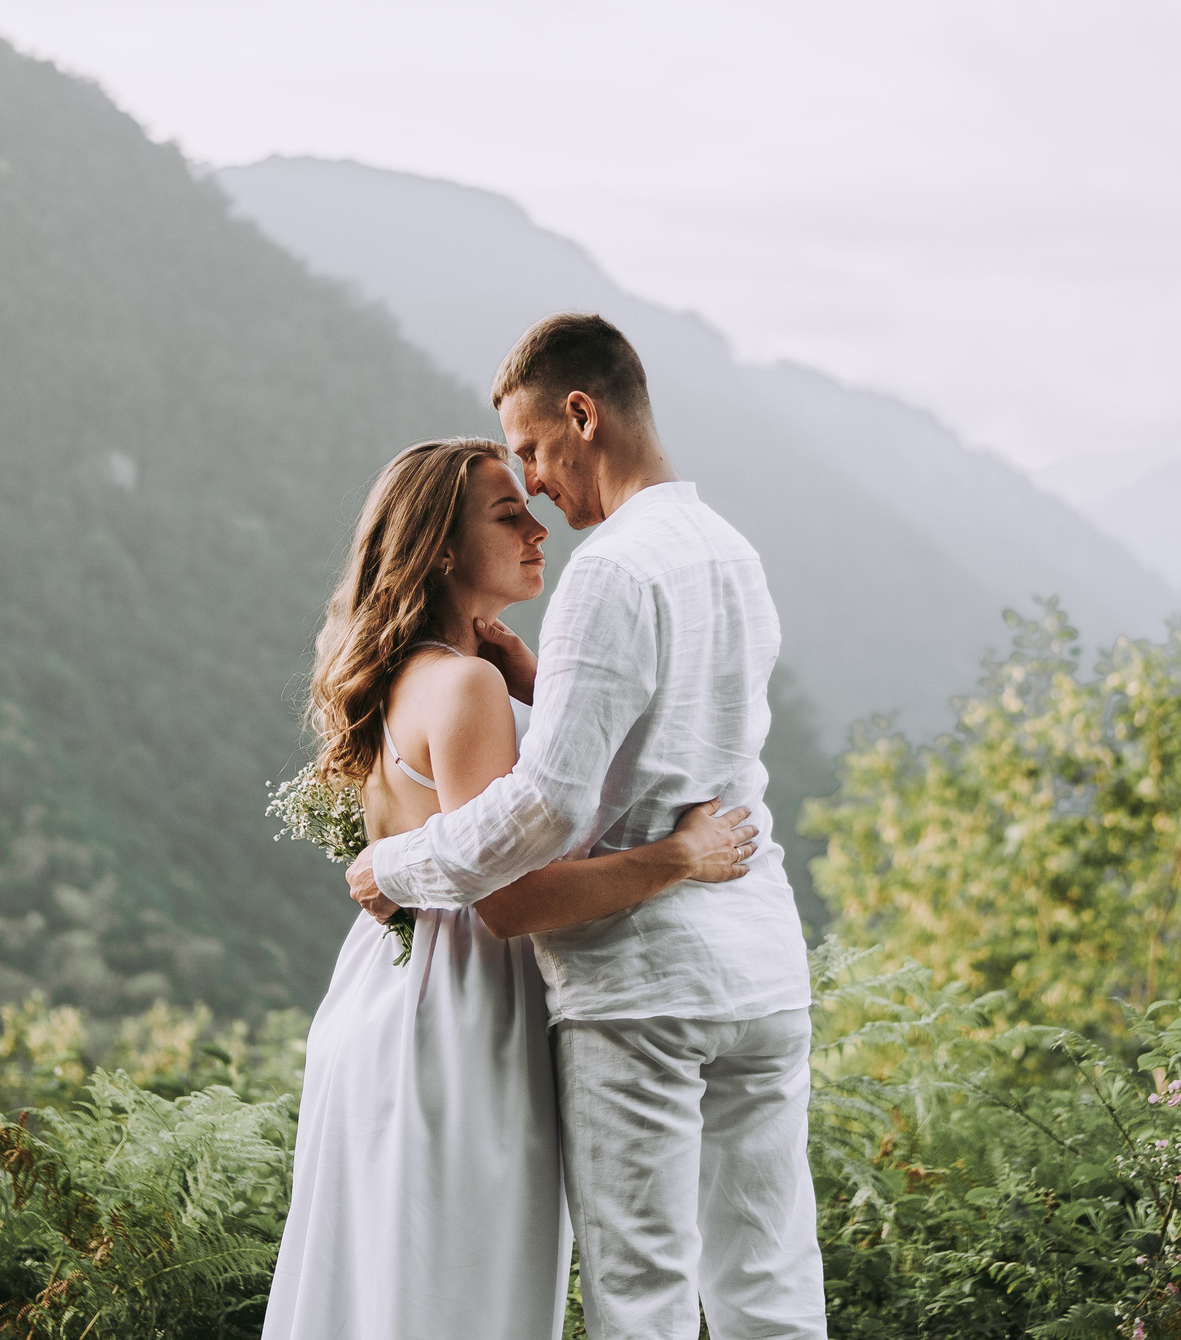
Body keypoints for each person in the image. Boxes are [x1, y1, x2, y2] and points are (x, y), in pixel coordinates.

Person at [348, 314, 827, 1340]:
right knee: (770, 1286)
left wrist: (401, 862)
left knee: (643, 1299)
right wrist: (541, 681)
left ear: (581, 414)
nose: (533, 480)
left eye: (530, 450)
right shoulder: (731, 551)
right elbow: (682, 733)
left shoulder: (608, 571)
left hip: (643, 989)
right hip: (763, 966)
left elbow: (548, 807)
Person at [264, 436, 761, 1340]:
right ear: (442, 549)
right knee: (461, 1292)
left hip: (380, 995)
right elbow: (510, 900)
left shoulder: (408, 676)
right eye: (506, 514)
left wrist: (533, 680)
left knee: (387, 1286)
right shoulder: (465, 687)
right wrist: (680, 858)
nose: (538, 527)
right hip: (462, 1016)